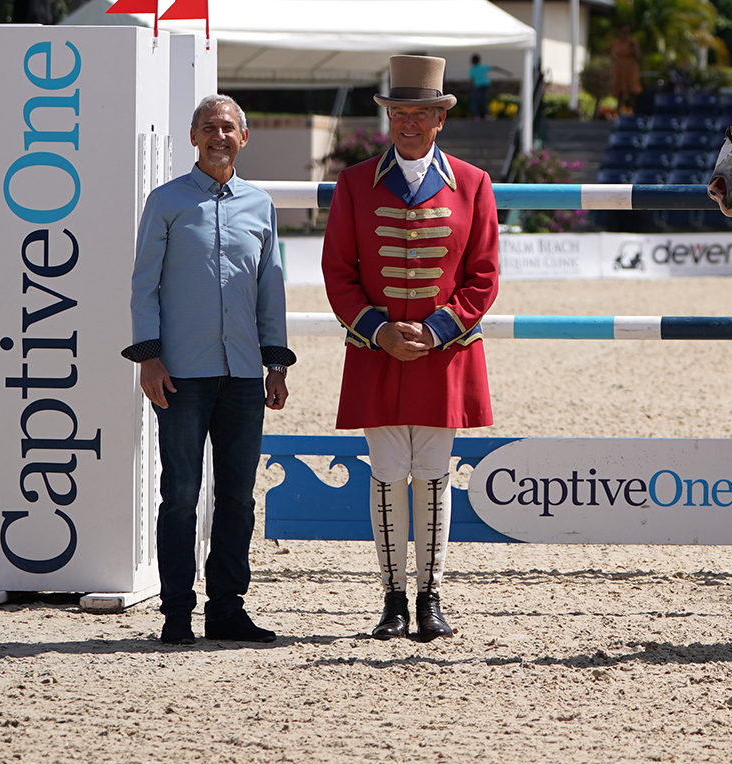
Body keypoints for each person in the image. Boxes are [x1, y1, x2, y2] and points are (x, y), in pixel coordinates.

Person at [323, 55, 499, 642]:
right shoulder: (353, 184)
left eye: (419, 113)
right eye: (399, 111)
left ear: (438, 119)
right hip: (377, 352)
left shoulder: (473, 184)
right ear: (388, 116)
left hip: (442, 356)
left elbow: (483, 276)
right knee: (386, 473)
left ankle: (431, 596)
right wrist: (379, 329)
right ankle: (392, 598)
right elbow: (339, 273)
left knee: (433, 474)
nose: (407, 123)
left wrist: (438, 330)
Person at [124, 95, 294, 645]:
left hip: (245, 373)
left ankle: (227, 608)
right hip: (179, 373)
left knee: (238, 496)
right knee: (180, 493)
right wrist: (148, 356)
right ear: (193, 137)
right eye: (208, 127)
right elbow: (143, 284)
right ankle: (176, 613)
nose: (218, 135)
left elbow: (271, 288)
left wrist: (276, 362)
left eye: (228, 127)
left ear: (244, 138)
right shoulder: (166, 201)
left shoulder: (261, 205)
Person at [609, 25, 642, 113]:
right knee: (620, 91)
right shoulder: (615, 42)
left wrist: (634, 48)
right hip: (619, 68)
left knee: (632, 91)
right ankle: (618, 112)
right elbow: (609, 53)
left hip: (630, 69)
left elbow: (638, 55)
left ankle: (634, 112)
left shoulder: (632, 42)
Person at [467, 54, 497, 120]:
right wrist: (506, 72)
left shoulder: (472, 69)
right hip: (486, 85)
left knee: (474, 100)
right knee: (483, 99)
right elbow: (494, 67)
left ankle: (477, 115)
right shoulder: (482, 67)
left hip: (479, 86)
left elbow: (472, 79)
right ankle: (486, 115)